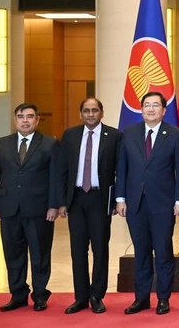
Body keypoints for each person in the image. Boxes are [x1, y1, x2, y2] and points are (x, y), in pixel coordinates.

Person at [115, 91, 179, 315]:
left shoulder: (174, 134)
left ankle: (163, 298)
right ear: (141, 109)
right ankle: (141, 298)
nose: (151, 109)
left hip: (163, 204)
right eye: (147, 105)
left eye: (156, 105)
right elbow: (122, 168)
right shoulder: (129, 133)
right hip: (135, 204)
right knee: (141, 252)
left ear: (163, 111)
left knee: (163, 251)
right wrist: (120, 198)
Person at [0, 103, 60, 312]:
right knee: (13, 254)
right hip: (9, 208)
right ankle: (18, 294)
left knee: (39, 255)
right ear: (15, 120)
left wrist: (53, 205)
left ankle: (39, 295)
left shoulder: (49, 144)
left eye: (29, 116)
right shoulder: (2, 144)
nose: (25, 120)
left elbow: (55, 177)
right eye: (21, 116)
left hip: (40, 209)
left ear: (37, 120)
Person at [56, 97, 122, 315]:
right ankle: (81, 297)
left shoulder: (114, 136)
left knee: (100, 248)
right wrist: (62, 202)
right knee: (78, 250)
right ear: (80, 114)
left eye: (95, 110)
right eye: (86, 110)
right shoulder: (70, 135)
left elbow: (119, 171)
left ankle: (97, 296)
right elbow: (62, 170)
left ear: (102, 113)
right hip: (76, 199)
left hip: (100, 199)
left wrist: (116, 200)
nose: (91, 114)